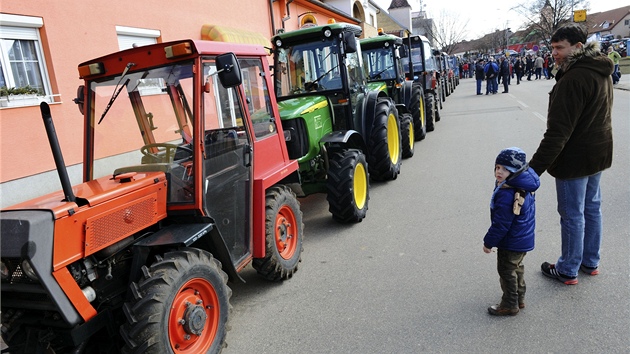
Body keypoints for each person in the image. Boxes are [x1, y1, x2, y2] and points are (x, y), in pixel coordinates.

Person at [528, 23, 614, 285]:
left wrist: (533, 170)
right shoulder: (601, 70)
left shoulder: (574, 78)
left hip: (575, 159)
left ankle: (567, 268)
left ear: (578, 47)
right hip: (597, 153)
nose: (554, 53)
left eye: (559, 48)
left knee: (573, 214)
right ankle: (590, 261)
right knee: (592, 209)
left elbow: (557, 134)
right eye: (552, 48)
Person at [484, 147, 540, 316]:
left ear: (515, 171)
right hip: (522, 240)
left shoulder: (507, 193)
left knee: (506, 271)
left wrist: (488, 242)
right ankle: (519, 298)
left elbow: (501, 224)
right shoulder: (522, 184)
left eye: (505, 169)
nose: (499, 172)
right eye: (497, 167)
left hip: (511, 242)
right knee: (517, 268)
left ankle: (509, 304)